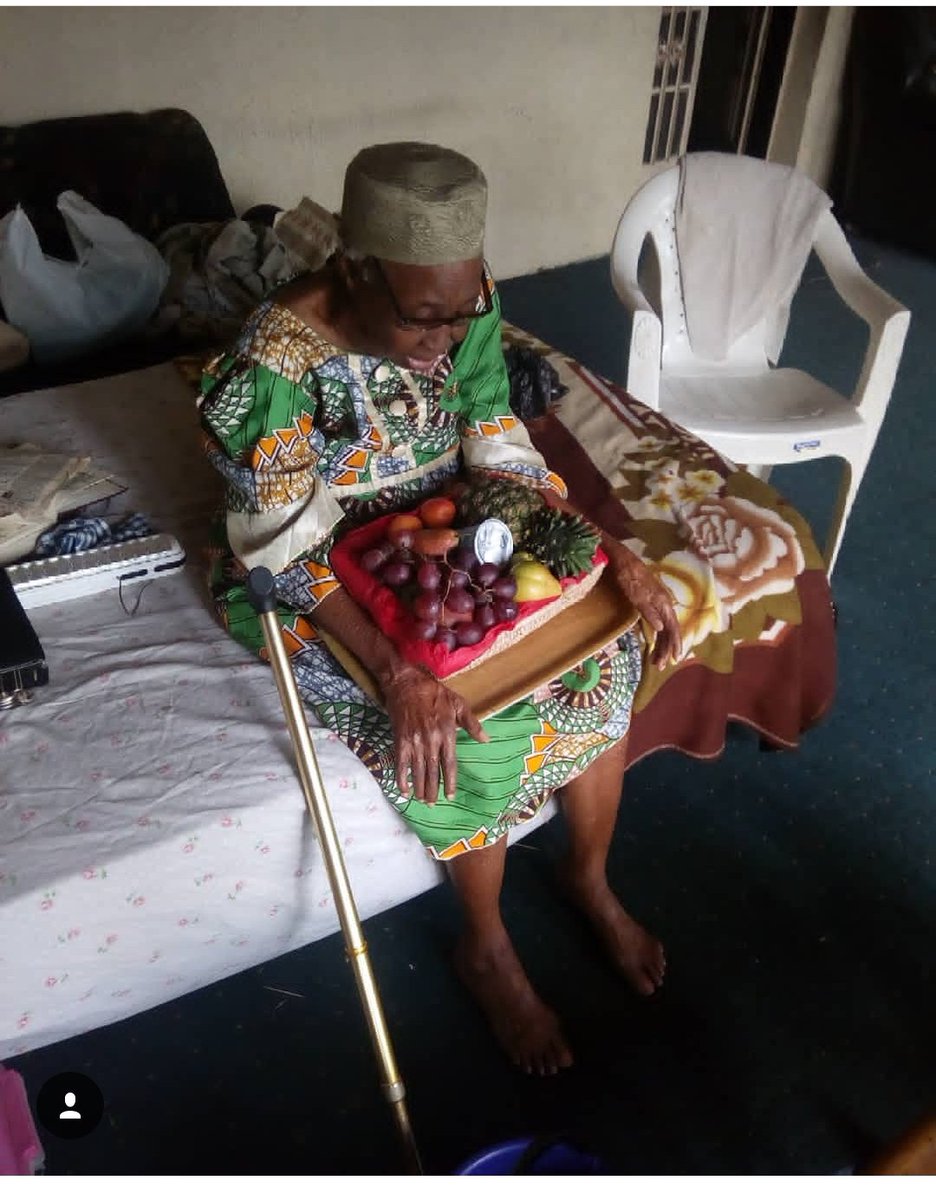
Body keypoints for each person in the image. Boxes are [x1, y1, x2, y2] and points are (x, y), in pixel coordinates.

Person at [198, 142, 682, 1076]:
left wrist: (604, 549)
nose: (446, 342)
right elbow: (282, 545)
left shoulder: (464, 307)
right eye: (424, 319)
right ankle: (486, 945)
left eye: (463, 314)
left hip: (445, 526)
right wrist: (397, 670)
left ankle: (587, 877)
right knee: (463, 728)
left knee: (606, 655)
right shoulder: (273, 366)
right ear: (353, 269)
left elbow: (494, 436)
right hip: (313, 575)